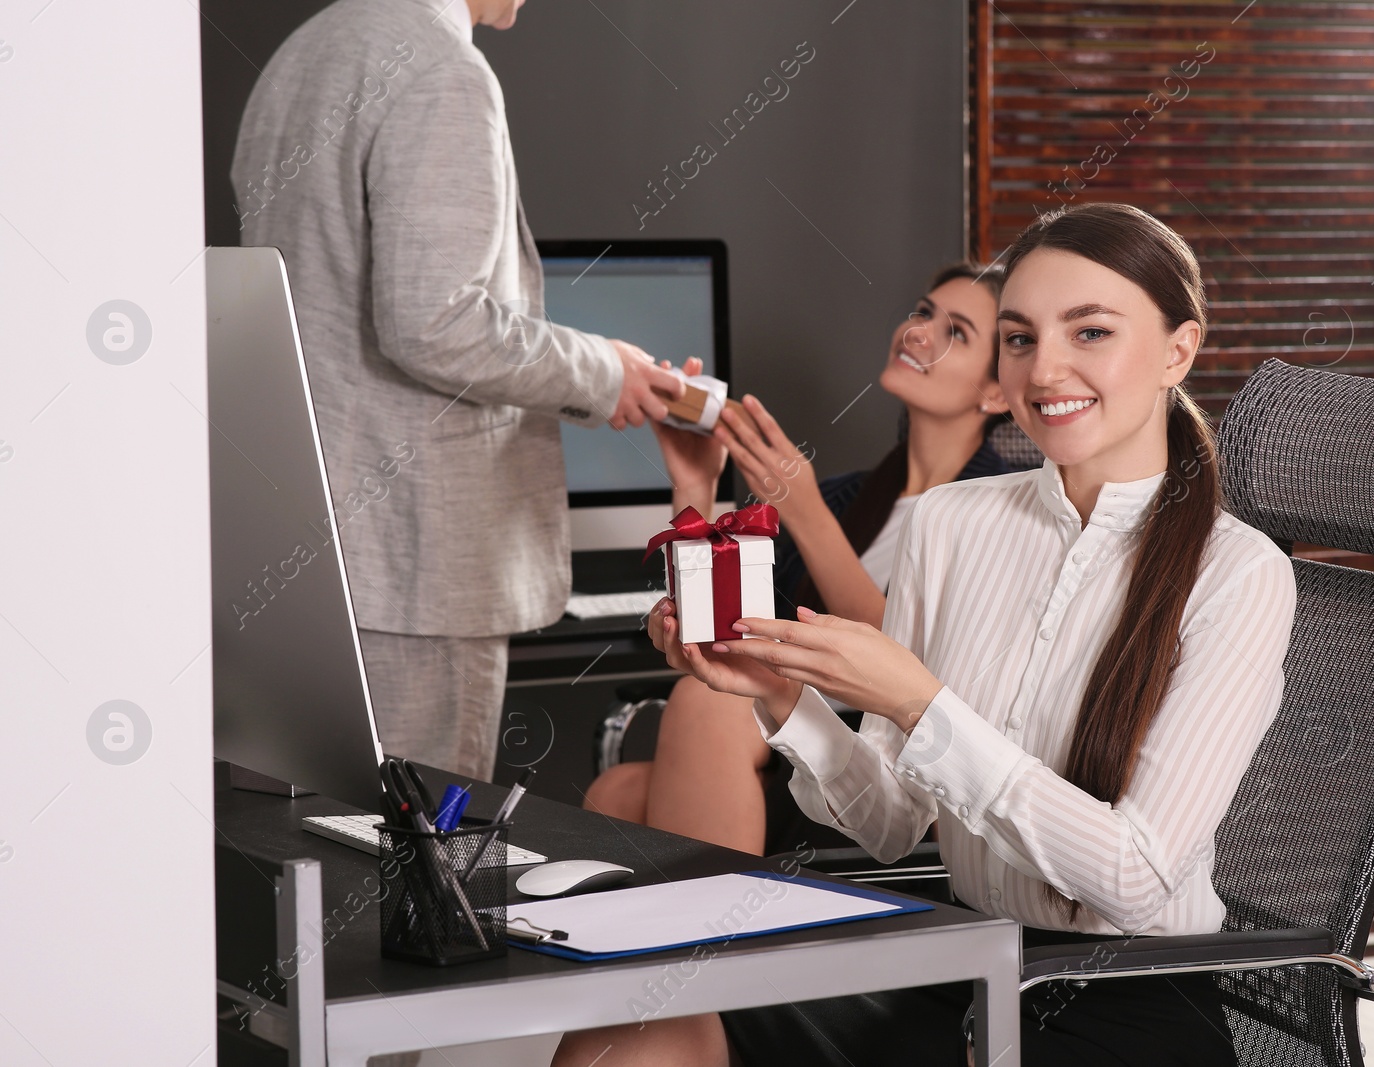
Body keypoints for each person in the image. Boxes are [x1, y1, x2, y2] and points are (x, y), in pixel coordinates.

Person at [552, 203, 1298, 1066]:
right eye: (1019, 338)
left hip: (1123, 1002)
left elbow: (1133, 880)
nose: (1046, 367)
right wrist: (783, 697)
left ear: (1179, 349)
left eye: (1089, 331)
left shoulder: (1239, 573)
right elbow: (892, 823)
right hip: (960, 961)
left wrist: (921, 701)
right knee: (637, 1013)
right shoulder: (949, 522)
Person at [232, 0, 683, 780]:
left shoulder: (303, 53)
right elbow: (436, 323)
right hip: (409, 565)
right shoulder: (442, 70)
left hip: (296, 545)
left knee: (305, 860)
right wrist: (604, 371)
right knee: (415, 868)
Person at [584, 262, 1039, 856]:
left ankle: (716, 948)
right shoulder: (847, 497)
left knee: (704, 706)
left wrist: (804, 515)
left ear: (997, 390)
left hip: (886, 747)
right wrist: (695, 485)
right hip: (782, 727)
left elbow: (911, 664)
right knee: (618, 791)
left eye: (956, 331)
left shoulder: (999, 512)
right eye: (923, 312)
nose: (919, 332)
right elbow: (729, 637)